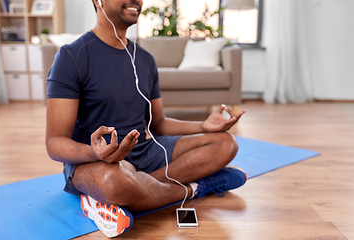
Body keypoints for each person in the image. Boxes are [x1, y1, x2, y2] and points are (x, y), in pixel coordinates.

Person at [45, 0, 247, 238]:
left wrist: (203, 126)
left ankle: (133, 191)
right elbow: (54, 142)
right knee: (114, 181)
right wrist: (95, 153)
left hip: (145, 152)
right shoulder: (71, 56)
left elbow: (158, 123)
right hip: (96, 163)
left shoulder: (145, 59)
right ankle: (196, 187)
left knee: (225, 143)